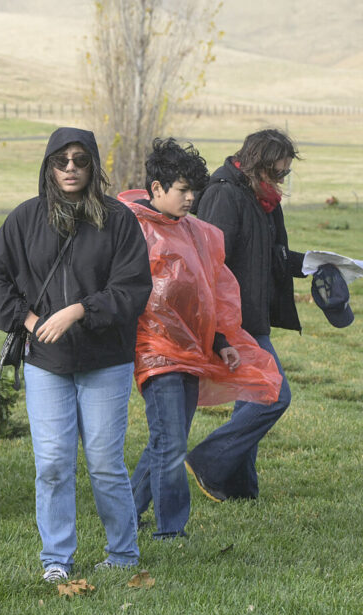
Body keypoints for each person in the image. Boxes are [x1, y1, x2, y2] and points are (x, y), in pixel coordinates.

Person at [0, 127, 151, 584]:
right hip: (47, 364)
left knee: (104, 460)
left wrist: (78, 311)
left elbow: (133, 290)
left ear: (93, 165)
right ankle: (56, 558)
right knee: (52, 461)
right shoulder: (25, 219)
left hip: (105, 360)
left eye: (80, 159)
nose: (70, 168)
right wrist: (30, 321)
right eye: (61, 160)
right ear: (48, 166)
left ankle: (123, 553)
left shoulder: (118, 220)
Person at [119, 139, 283, 539]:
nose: (191, 198)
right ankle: (170, 531)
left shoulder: (197, 233)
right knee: (170, 442)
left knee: (166, 440)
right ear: (156, 188)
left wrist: (222, 340)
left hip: (192, 350)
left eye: (195, 190)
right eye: (182, 190)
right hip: (156, 353)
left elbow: (213, 292)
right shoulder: (131, 230)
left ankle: (126, 515)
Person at [185, 130, 304, 502]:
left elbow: (272, 256)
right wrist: (219, 332)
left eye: (286, 174)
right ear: (257, 165)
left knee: (251, 397)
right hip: (232, 323)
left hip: (251, 319)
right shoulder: (224, 195)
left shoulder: (262, 198)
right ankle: (207, 460)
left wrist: (318, 263)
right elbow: (207, 265)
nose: (281, 181)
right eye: (278, 173)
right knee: (273, 395)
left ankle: (238, 490)